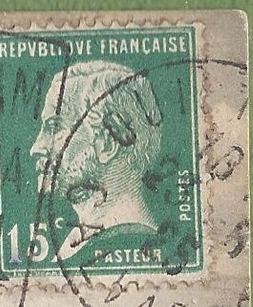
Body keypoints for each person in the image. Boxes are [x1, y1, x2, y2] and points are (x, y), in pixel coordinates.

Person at [29, 60, 164, 268]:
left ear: (107, 144)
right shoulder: (79, 241)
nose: (36, 147)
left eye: (54, 128)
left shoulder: (127, 240)